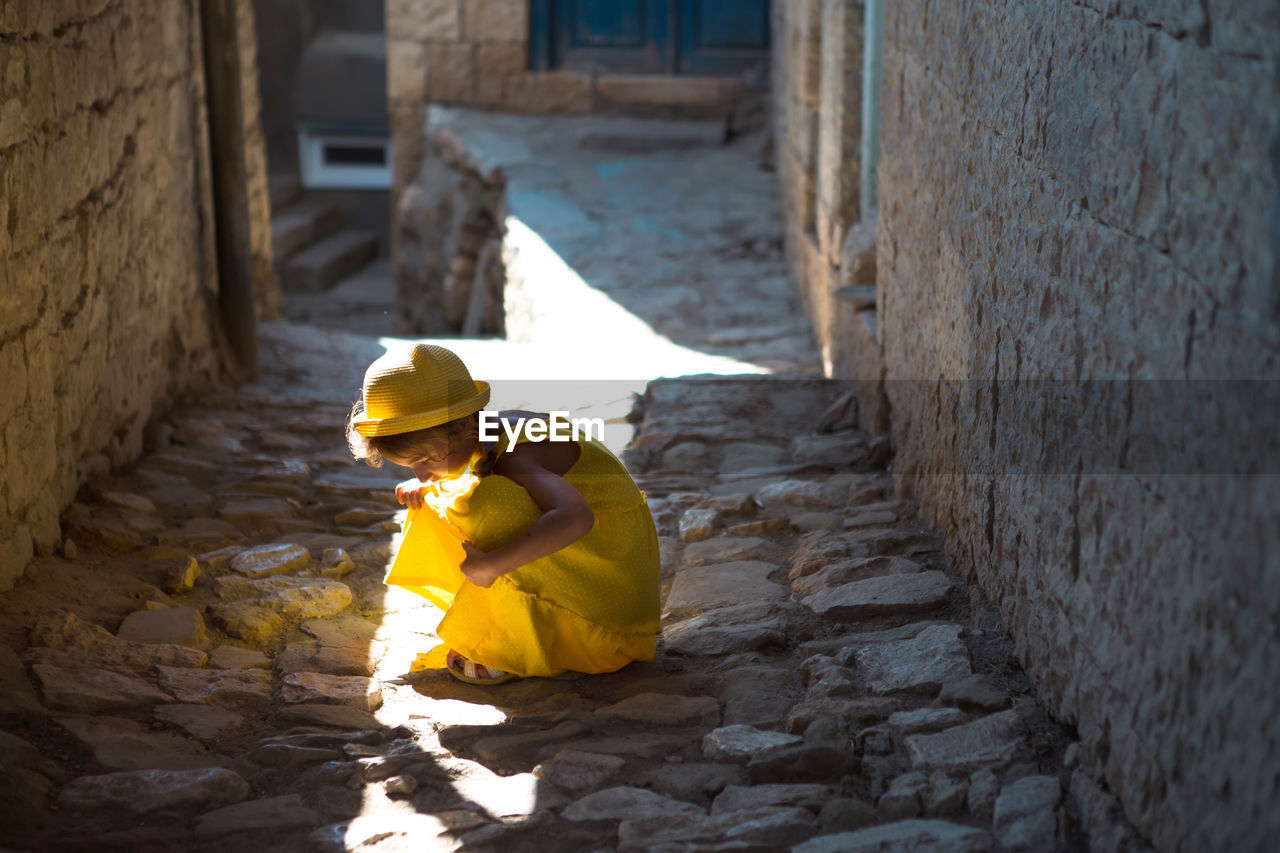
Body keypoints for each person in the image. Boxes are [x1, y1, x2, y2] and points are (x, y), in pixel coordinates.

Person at [345, 343, 661, 685]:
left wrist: (492, 565)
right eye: (411, 465)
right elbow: (467, 470)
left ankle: (515, 646)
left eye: (425, 461)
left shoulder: (519, 455)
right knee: (437, 499)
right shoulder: (488, 433)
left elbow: (575, 517)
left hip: (609, 629)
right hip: (597, 582)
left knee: (490, 506)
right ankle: (506, 620)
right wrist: (432, 482)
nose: (420, 473)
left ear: (462, 427)